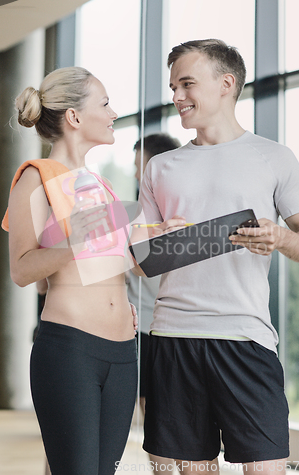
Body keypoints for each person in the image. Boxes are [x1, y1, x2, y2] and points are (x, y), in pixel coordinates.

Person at [135, 39, 299, 475]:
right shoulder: (160, 168)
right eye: (173, 87)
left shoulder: (274, 157)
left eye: (187, 84)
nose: (177, 97)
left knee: (265, 468)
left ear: (226, 84)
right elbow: (139, 256)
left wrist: (280, 238)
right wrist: (152, 238)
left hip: (246, 337)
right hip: (173, 336)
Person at [1, 66, 138, 475]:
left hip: (123, 354)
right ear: (75, 117)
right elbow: (23, 270)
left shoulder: (102, 185)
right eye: (105, 103)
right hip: (72, 352)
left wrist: (161, 240)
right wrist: (71, 241)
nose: (113, 112)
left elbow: (113, 265)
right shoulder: (35, 178)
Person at [127, 133, 180, 474]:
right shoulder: (132, 214)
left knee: (161, 418)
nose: (136, 175)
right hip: (138, 328)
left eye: (139, 167)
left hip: (164, 329)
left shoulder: (178, 216)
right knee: (156, 416)